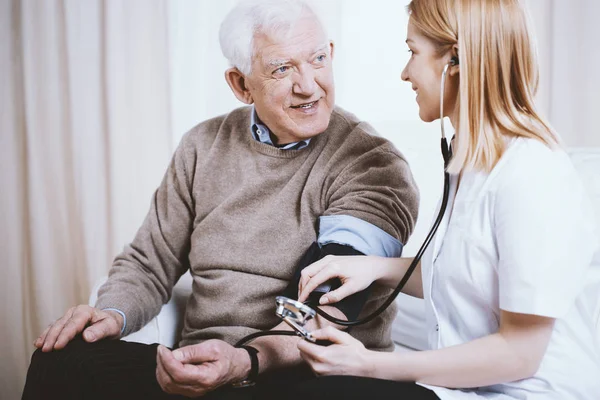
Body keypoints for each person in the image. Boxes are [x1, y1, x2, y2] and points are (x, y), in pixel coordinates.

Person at [21, 1, 420, 399]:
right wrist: (110, 315)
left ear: (330, 54)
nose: (308, 85)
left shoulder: (371, 163)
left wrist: (243, 361)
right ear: (240, 84)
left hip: (308, 372)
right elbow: (149, 262)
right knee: (60, 358)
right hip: (204, 365)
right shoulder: (202, 146)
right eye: (282, 68)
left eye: (317, 59)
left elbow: (326, 310)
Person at [292, 0, 600, 399]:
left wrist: (370, 364)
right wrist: (375, 267)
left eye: (412, 52)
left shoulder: (531, 174)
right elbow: (466, 276)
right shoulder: (472, 164)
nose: (405, 73)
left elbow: (521, 353)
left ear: (454, 58)